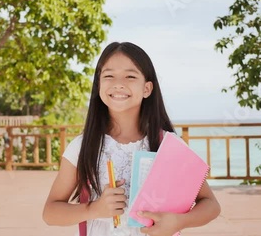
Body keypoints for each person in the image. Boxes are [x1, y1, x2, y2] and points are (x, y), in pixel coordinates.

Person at [43, 42, 221, 236]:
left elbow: (211, 205)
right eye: (109, 76)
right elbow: (50, 212)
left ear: (147, 88)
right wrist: (94, 209)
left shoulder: (168, 145)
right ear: (99, 85)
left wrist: (179, 221)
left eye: (130, 76)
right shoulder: (82, 146)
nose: (119, 84)